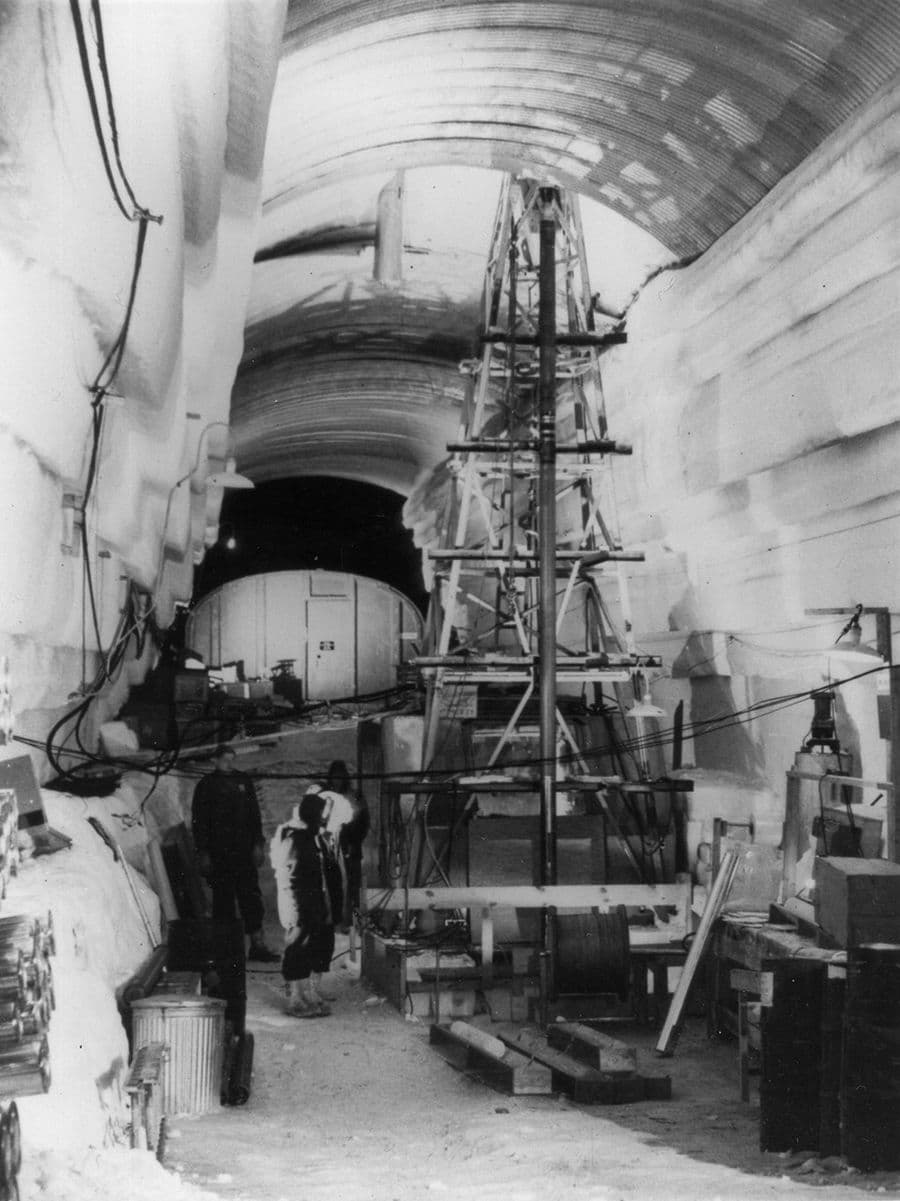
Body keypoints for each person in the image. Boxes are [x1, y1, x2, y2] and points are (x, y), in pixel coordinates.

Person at [191, 743, 279, 962]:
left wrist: (258, 844)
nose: (228, 763)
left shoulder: (243, 781)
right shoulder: (206, 785)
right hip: (220, 854)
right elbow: (199, 822)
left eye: (231, 759)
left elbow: (254, 816)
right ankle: (227, 950)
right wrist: (203, 852)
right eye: (224, 759)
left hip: (243, 853)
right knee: (223, 901)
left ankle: (257, 945)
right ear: (215, 760)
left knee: (251, 899)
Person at [272, 787, 343, 1017]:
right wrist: (292, 913)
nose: (325, 817)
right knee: (298, 947)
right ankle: (294, 996)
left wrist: (334, 908)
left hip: (321, 904)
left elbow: (331, 874)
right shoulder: (294, 840)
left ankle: (311, 991)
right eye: (321, 813)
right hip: (301, 905)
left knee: (322, 945)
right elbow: (286, 879)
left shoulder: (322, 840)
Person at [320, 759, 370, 930]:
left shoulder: (355, 796)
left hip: (351, 847)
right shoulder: (326, 797)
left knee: (354, 886)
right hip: (331, 848)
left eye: (340, 777)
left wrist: (354, 843)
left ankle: (354, 920)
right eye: (335, 777)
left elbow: (364, 822)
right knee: (333, 885)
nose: (337, 780)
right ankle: (335, 919)